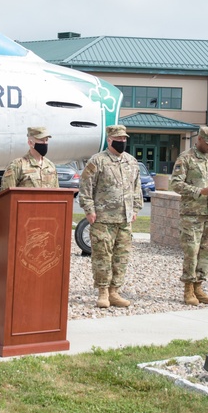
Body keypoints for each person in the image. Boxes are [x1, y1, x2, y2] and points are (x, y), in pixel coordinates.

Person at [78, 125, 144, 309]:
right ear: (109, 140)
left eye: (124, 139)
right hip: (103, 219)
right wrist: (89, 210)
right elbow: (85, 187)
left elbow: (137, 188)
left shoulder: (131, 162)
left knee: (121, 257)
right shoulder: (97, 161)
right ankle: (103, 292)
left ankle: (115, 292)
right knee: (102, 257)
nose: (122, 141)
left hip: (124, 219)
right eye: (118, 138)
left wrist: (136, 208)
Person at [169, 126, 208, 306]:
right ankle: (188, 289)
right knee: (191, 251)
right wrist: (199, 191)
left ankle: (199, 287)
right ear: (200, 140)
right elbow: (175, 184)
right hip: (192, 214)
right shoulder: (186, 158)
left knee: (207, 252)